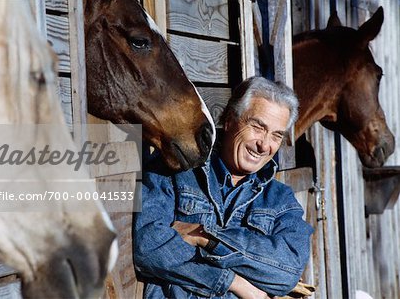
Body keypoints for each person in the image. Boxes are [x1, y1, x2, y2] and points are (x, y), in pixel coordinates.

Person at [133, 76, 314, 298]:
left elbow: (288, 272)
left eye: (276, 135)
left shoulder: (280, 200)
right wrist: (235, 283)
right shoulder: (174, 170)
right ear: (230, 120)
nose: (264, 145)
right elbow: (148, 246)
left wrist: (206, 237)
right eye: (258, 127)